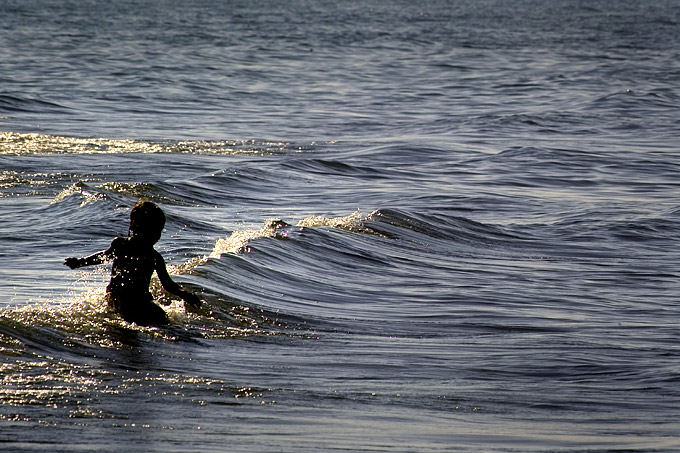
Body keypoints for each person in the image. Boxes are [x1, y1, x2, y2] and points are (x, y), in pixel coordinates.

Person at [64, 200, 201, 325]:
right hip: (120, 300)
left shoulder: (154, 257)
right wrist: (81, 262)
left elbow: (168, 285)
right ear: (135, 227)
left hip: (140, 303)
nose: (155, 236)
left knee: (162, 319)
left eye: (158, 232)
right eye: (150, 231)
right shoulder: (121, 245)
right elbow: (103, 256)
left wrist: (185, 294)